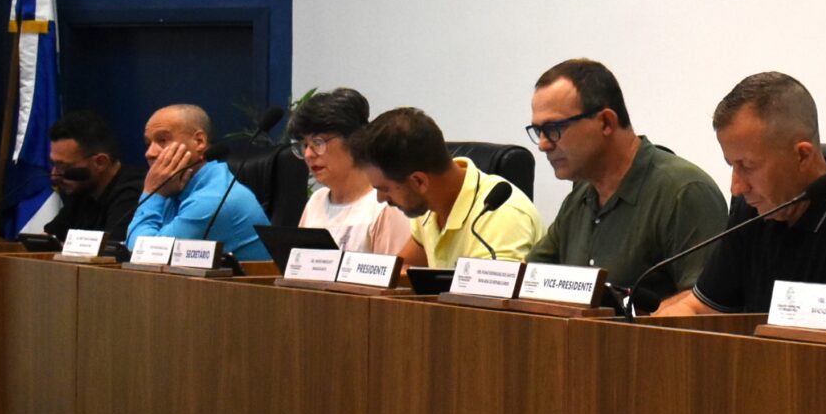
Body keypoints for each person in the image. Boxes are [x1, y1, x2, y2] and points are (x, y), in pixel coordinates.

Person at [649, 71, 826, 341]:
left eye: (747, 166)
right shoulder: (753, 212)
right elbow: (698, 308)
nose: (736, 187)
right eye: (731, 165)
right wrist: (650, 334)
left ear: (803, 155)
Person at [524, 58, 727, 296]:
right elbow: (526, 280)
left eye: (553, 129)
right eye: (538, 131)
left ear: (606, 123)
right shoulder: (580, 196)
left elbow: (705, 304)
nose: (543, 145)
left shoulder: (684, 192)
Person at [356, 106, 544, 266]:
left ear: (419, 181)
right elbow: (401, 270)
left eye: (384, 189)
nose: (380, 199)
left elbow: (494, 294)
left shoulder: (502, 215)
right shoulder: (428, 207)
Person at [126, 103, 271, 261]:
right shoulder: (173, 186)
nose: (150, 153)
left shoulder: (214, 200)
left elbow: (143, 256)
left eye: (162, 140)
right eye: (148, 144)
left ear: (199, 141)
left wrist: (152, 193)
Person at [290, 88, 420, 264]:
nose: (308, 155)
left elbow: (394, 276)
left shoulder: (385, 205)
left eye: (317, 142)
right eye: (304, 145)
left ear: (353, 140)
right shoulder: (316, 201)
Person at [38, 109, 138, 241]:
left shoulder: (132, 193)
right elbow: (47, 239)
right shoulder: (83, 191)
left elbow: (111, 249)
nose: (54, 176)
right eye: (53, 164)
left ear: (100, 162)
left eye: (64, 167)